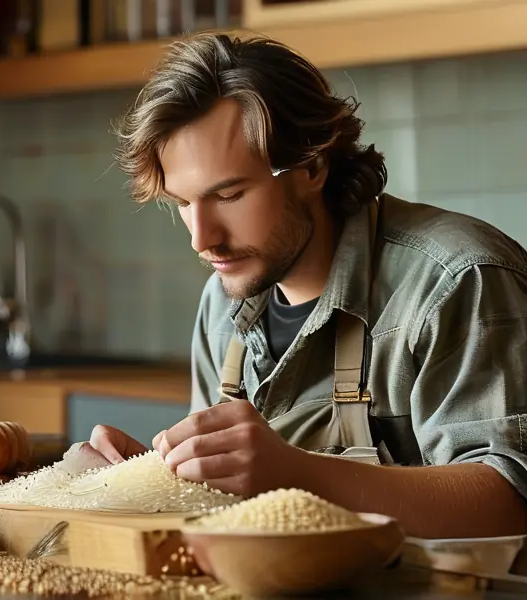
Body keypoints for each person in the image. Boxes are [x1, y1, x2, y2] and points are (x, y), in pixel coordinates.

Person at [87, 32, 527, 540]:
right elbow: (228, 504)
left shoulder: (455, 281)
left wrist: (298, 474)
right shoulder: (221, 303)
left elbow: (511, 501)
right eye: (183, 203)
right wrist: (148, 476)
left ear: (312, 166)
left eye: (228, 195)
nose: (201, 239)